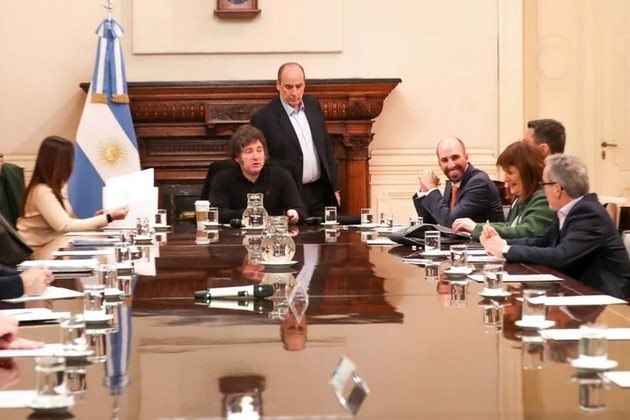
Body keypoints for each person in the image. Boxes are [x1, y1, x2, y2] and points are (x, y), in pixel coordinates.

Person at [483, 154, 630, 299]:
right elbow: (542, 241)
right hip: (577, 291)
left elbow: (562, 256)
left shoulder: (589, 213)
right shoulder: (571, 210)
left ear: (557, 189)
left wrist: (506, 250)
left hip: (606, 300)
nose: (542, 190)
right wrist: (501, 243)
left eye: (543, 184)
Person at [251, 62, 340, 218]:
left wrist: (335, 188)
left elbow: (325, 147)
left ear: (305, 84)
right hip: (289, 196)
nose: (294, 92)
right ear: (278, 85)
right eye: (288, 87)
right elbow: (265, 163)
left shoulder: (313, 106)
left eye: (299, 86)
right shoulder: (264, 118)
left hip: (319, 192)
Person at [17, 136, 129, 248]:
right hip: (35, 250)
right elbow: (64, 226)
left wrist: (98, 219)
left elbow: (68, 223)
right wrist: (108, 217)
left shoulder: (57, 187)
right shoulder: (41, 191)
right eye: (69, 160)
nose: (72, 165)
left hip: (54, 246)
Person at [452, 141, 555, 240]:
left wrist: (476, 228)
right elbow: (510, 226)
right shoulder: (523, 199)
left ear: (528, 173)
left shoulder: (543, 198)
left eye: (510, 173)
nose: (505, 179)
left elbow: (527, 232)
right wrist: (475, 229)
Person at [209, 124, 307, 224]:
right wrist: (248, 215)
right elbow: (217, 213)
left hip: (272, 232)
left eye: (259, 150)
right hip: (235, 232)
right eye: (249, 151)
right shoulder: (223, 179)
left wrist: (294, 213)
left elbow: (300, 210)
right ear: (237, 157)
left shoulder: (281, 176)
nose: (256, 157)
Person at [413, 136, 504, 227]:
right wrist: (425, 190)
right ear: (439, 164)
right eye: (444, 160)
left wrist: (432, 188)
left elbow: (451, 223)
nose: (451, 165)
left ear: (466, 157)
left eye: (455, 157)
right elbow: (429, 223)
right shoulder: (451, 184)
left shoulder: (479, 182)